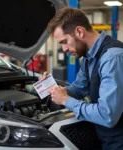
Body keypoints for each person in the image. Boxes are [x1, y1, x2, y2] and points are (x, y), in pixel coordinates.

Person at [40, 7, 123, 150]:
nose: (64, 49)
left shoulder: (112, 58)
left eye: (64, 41)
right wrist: (54, 90)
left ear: (79, 31)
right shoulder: (87, 58)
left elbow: (107, 115)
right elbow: (78, 89)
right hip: (102, 136)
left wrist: (66, 100)